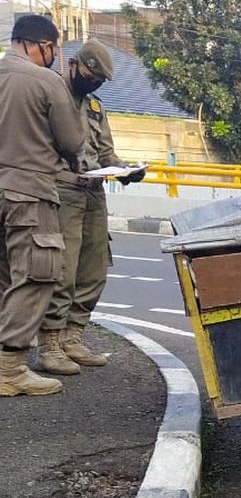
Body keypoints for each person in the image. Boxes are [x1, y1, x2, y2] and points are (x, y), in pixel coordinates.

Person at [36, 39, 146, 376]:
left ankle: (73, 336)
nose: (93, 83)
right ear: (74, 65)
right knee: (63, 271)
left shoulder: (95, 108)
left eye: (99, 80)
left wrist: (127, 170)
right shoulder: (51, 100)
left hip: (95, 194)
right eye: (90, 75)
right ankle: (50, 344)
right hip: (64, 191)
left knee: (93, 270)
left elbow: (106, 154)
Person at [0, 15, 85, 398]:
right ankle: (10, 368)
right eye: (54, 47)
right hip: (28, 191)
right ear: (42, 44)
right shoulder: (45, 81)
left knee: (4, 277)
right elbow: (71, 141)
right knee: (36, 275)